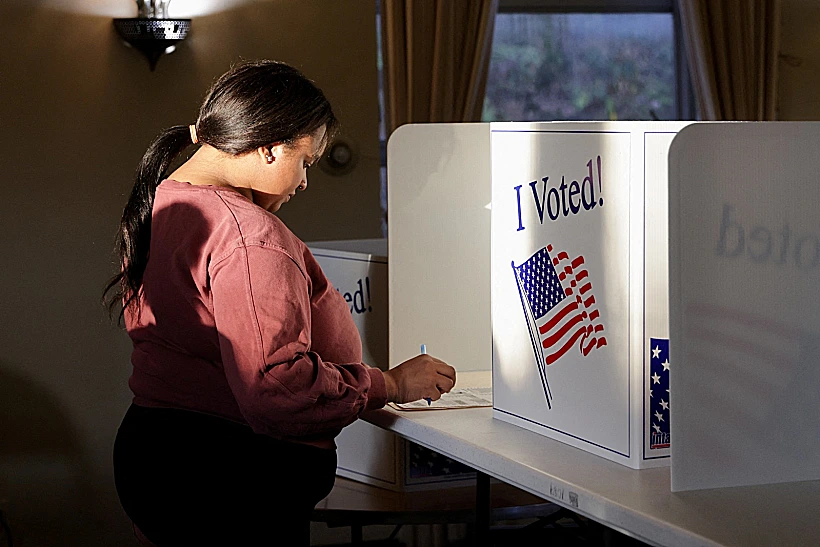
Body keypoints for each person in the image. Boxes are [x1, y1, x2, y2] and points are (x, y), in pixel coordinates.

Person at [103, 60, 456, 546]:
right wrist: (389, 383)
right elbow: (277, 389)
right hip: (226, 482)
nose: (304, 182)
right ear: (270, 147)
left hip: (164, 458)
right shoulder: (247, 235)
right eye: (306, 161)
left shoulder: (165, 200)